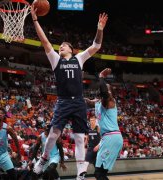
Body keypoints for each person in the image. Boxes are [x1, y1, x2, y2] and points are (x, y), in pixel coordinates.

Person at [30, 4, 109, 180]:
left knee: (80, 138)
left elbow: (96, 45)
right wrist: (35, 20)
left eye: (64, 45)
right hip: (64, 101)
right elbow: (45, 41)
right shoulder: (55, 59)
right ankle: (43, 159)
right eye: (61, 45)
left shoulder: (78, 59)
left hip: (79, 101)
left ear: (71, 50)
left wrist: (99, 28)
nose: (61, 47)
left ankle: (80, 174)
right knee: (54, 134)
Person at [85, 68, 123, 180]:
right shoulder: (98, 102)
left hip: (112, 136)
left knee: (99, 173)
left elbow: (104, 93)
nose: (106, 92)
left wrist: (101, 76)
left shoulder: (110, 101)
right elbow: (88, 101)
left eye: (108, 90)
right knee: (99, 173)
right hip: (107, 138)